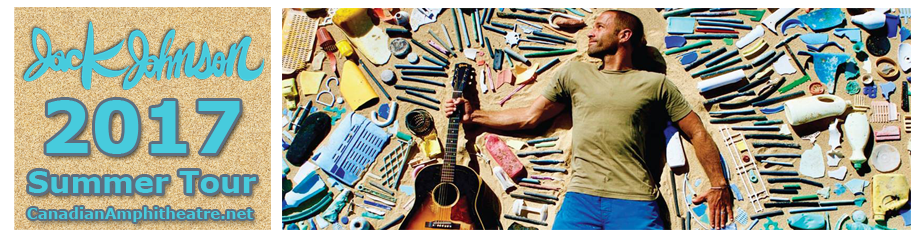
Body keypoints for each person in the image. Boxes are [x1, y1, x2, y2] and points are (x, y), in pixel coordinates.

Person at [444, 10, 733, 230]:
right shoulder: (575, 74)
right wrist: (476, 116)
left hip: (635, 200)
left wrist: (719, 185)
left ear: (624, 36)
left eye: (599, 27)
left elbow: (696, 131)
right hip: (580, 198)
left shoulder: (655, 84)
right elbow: (530, 117)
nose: (590, 34)